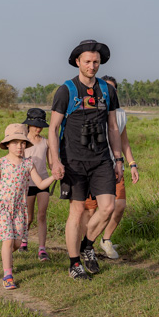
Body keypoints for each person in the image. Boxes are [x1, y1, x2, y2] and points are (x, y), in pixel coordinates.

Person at [48, 39, 123, 280]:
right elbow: (53, 128)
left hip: (101, 159)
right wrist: (56, 161)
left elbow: (113, 127)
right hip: (73, 161)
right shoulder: (66, 90)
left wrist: (118, 159)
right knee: (77, 211)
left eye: (96, 61)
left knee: (108, 207)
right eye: (88, 61)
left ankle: (88, 245)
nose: (92, 65)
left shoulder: (107, 90)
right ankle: (74, 263)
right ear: (78, 62)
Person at [0, 124, 56, 290]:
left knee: (15, 244)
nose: (20, 146)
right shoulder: (0, 163)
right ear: (7, 144)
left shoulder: (28, 164)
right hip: (2, 207)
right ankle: (8, 275)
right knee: (8, 241)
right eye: (15, 143)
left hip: (19, 210)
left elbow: (40, 183)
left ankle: (6, 254)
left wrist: (54, 176)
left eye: (23, 143)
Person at [84, 75, 140, 259]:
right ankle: (86, 245)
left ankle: (106, 239)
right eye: (106, 88)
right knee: (92, 210)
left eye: (112, 89)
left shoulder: (121, 113)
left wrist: (131, 164)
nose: (109, 92)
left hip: (115, 166)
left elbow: (124, 142)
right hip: (93, 166)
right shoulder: (89, 109)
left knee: (120, 205)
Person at [20, 108, 53, 261]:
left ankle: (42, 249)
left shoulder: (46, 142)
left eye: (40, 125)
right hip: (27, 183)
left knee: (41, 215)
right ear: (29, 125)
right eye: (35, 125)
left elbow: (51, 162)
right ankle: (23, 240)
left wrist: (57, 172)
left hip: (43, 181)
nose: (37, 128)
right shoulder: (22, 142)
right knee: (29, 217)